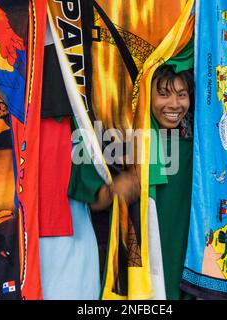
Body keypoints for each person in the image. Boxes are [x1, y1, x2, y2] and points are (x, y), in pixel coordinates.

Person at [88, 63, 195, 300]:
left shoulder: (198, 144)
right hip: (141, 264)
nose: (174, 105)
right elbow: (90, 200)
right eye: (163, 94)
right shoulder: (125, 140)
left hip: (186, 264)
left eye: (182, 94)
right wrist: (115, 190)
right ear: (147, 96)